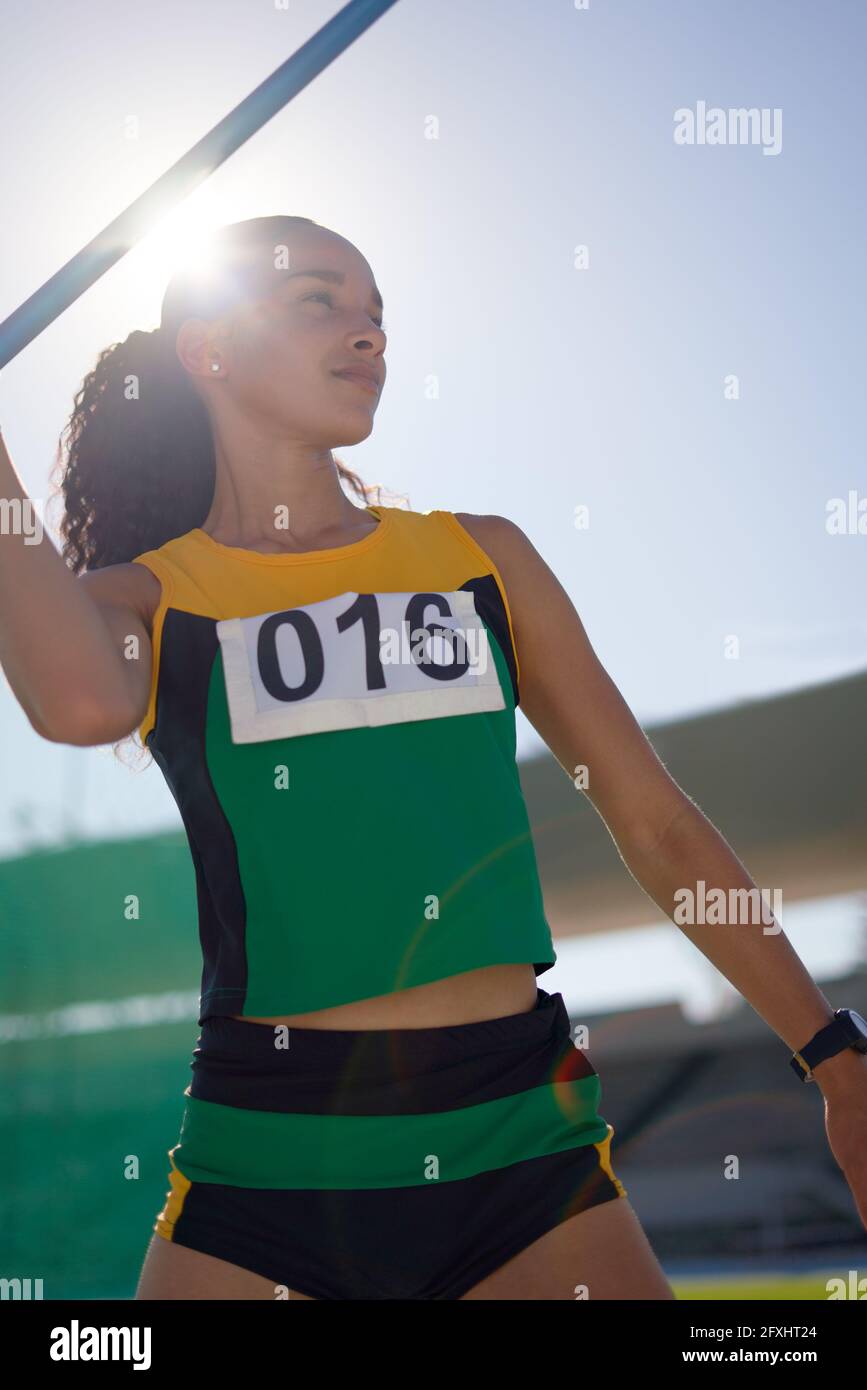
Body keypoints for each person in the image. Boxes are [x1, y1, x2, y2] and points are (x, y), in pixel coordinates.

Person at [2, 215, 864, 1300]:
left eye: (376, 317)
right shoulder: (149, 595)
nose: (367, 335)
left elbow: (656, 822)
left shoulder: (479, 557)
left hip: (524, 1150)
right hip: (270, 1161)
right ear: (207, 349)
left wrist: (835, 1056)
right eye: (319, 300)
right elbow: (76, 701)